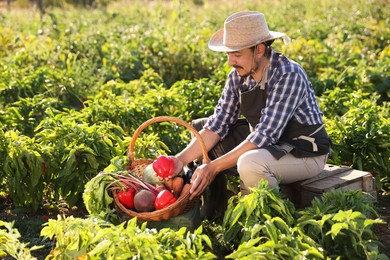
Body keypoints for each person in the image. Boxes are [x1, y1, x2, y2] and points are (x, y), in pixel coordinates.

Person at [171, 11, 332, 219]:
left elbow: (265, 134)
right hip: (270, 147)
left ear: (259, 50)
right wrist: (179, 160)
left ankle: (273, 216)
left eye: (236, 54)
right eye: (228, 54)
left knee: (249, 163)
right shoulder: (238, 76)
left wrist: (213, 167)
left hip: (304, 151)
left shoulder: (288, 74)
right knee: (201, 134)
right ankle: (215, 209)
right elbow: (218, 123)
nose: (230, 61)